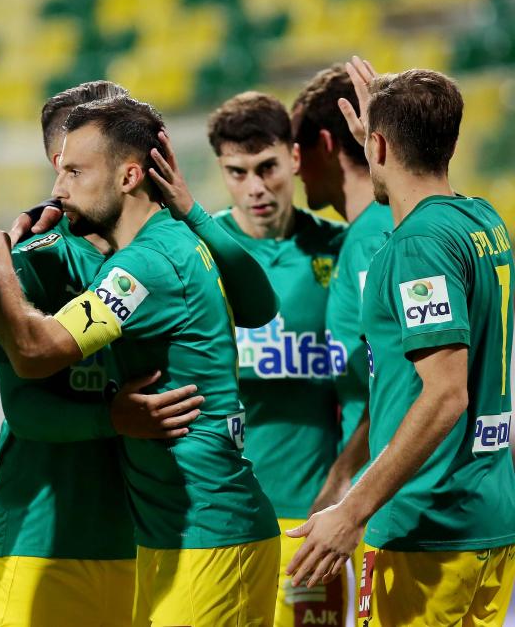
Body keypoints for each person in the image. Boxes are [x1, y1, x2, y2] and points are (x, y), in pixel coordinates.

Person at [0, 96, 281, 626]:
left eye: (75, 172)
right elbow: (24, 402)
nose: (57, 189)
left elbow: (35, 353)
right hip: (162, 535)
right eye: (60, 170)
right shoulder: (163, 241)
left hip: (206, 533)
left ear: (129, 175)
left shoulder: (147, 262)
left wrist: (0, 271)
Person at [287, 58, 515, 626]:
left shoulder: (416, 247)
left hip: (425, 523)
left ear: (380, 145)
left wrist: (353, 510)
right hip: (488, 518)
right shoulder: (482, 221)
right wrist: (381, 145)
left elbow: (445, 394)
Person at [0, 80, 205, 627]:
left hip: (144, 537)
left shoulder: (166, 254)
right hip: (41, 541)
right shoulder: (33, 260)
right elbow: (24, 409)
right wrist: (112, 418)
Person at [200, 91, 347, 627]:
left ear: (295, 158)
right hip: (224, 519)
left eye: (267, 167)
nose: (255, 187)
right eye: (237, 173)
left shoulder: (342, 248)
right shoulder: (200, 252)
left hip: (315, 518)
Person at [292, 65, 394, 511]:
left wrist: (342, 477)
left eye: (298, 147)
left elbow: (402, 382)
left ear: (327, 145)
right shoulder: (365, 232)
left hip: (389, 497)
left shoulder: (374, 238)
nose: (294, 166)